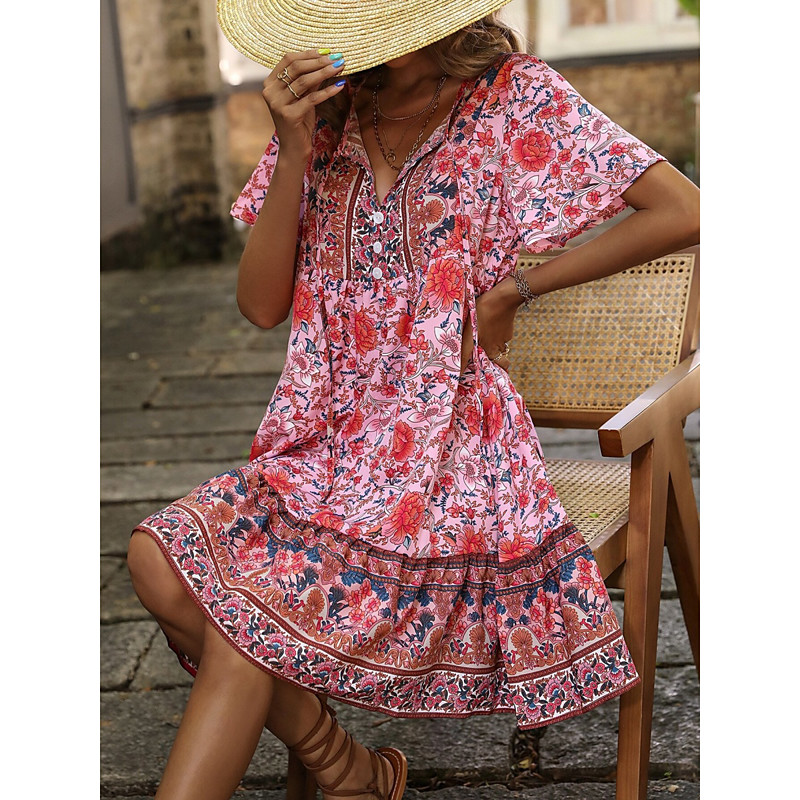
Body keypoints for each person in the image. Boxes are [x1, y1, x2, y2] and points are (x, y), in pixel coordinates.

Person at [126, 1, 700, 798]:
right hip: (324, 443)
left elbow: (685, 210)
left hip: (446, 450)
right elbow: (259, 305)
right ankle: (348, 768)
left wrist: (519, 287)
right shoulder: (329, 119)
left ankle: (352, 775)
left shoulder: (513, 96)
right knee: (154, 560)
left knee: (250, 614)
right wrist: (293, 147)